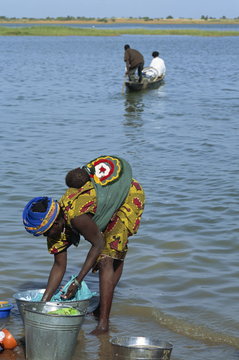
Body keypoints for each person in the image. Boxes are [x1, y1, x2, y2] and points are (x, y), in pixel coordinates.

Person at [22, 155, 145, 335]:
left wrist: (78, 281)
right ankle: (101, 309)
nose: (46, 236)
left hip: (127, 195)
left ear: (56, 223)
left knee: (105, 259)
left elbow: (98, 243)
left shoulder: (76, 217)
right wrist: (43, 304)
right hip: (98, 205)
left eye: (46, 232)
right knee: (109, 256)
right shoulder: (55, 223)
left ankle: (103, 324)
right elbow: (58, 265)